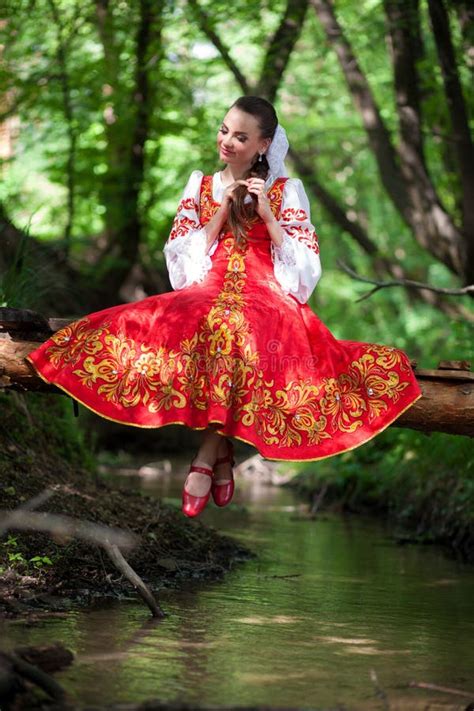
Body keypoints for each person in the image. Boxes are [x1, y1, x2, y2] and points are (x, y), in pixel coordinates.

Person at [25, 95, 423, 519]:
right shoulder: (200, 184)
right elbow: (182, 266)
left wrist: (269, 216)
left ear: (264, 145)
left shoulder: (288, 191)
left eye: (241, 136)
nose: (227, 141)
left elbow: (305, 272)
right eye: (224, 130)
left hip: (268, 292)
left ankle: (206, 455)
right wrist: (220, 212)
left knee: (242, 328)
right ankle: (220, 452)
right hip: (208, 285)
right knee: (166, 320)